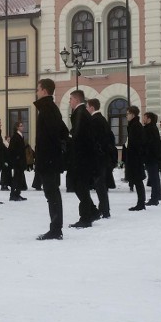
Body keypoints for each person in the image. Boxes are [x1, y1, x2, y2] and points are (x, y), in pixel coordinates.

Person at [33, 78, 69, 240]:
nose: (36, 92)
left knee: (52, 194)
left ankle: (55, 229)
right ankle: (55, 228)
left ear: (45, 91)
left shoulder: (47, 109)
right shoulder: (50, 108)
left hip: (49, 160)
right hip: (51, 159)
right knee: (52, 193)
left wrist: (47, 156)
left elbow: (56, 134)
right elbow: (63, 131)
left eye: (38, 89)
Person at [68, 90, 99, 227]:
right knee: (81, 186)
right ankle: (92, 211)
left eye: (70, 99)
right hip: (85, 157)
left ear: (76, 99)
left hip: (81, 157)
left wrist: (68, 139)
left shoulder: (80, 113)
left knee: (80, 186)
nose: (69, 102)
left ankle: (86, 217)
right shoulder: (82, 112)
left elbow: (78, 135)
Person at [87, 98, 114, 218]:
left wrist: (98, 152)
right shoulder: (102, 119)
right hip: (103, 157)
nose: (87, 109)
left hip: (99, 158)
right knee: (101, 185)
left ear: (92, 107)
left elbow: (96, 140)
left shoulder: (95, 120)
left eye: (87, 107)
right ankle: (104, 208)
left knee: (100, 185)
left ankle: (104, 210)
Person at [126, 106, 147, 210]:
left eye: (127, 114)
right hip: (135, 157)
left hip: (135, 158)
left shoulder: (135, 126)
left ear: (132, 114)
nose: (126, 116)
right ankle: (140, 202)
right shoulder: (134, 125)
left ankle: (141, 203)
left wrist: (134, 155)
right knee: (137, 180)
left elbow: (137, 143)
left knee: (138, 180)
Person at [142, 112, 161, 205]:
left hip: (151, 157)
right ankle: (157, 196)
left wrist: (146, 153)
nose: (143, 119)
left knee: (153, 178)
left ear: (149, 119)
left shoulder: (150, 129)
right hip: (153, 157)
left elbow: (149, 144)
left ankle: (154, 198)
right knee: (155, 177)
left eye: (144, 117)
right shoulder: (153, 128)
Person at [8, 121, 28, 201]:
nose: (22, 127)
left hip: (20, 161)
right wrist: (17, 157)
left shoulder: (20, 136)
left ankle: (17, 193)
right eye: (21, 126)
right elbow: (12, 149)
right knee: (16, 178)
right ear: (17, 127)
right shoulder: (15, 137)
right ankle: (13, 195)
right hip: (17, 161)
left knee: (19, 178)